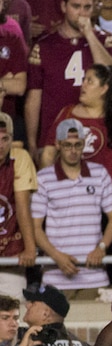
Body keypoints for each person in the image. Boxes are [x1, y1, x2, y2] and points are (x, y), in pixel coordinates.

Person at [25, 0, 112, 161]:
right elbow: (34, 98)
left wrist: (90, 35)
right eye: (76, 6)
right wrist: (32, 143)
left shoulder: (106, 40)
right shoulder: (44, 45)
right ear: (64, 6)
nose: (82, 13)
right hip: (54, 139)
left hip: (96, 135)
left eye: (87, 7)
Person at [31, 119, 112, 298]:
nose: (73, 151)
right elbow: (35, 227)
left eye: (77, 145)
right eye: (67, 145)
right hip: (55, 277)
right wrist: (57, 256)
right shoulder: (43, 178)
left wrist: (102, 247)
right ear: (58, 144)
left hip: (94, 276)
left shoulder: (100, 173)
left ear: (84, 144)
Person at [40, 63, 112, 203]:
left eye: (89, 81)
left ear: (104, 89)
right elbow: (48, 154)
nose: (83, 84)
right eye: (84, 80)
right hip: (72, 201)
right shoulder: (66, 114)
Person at [0, 112, 37, 299]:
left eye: (5, 139)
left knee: (12, 319)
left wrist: (30, 248)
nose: (0, 145)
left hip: (11, 256)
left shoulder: (19, 158)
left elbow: (22, 206)